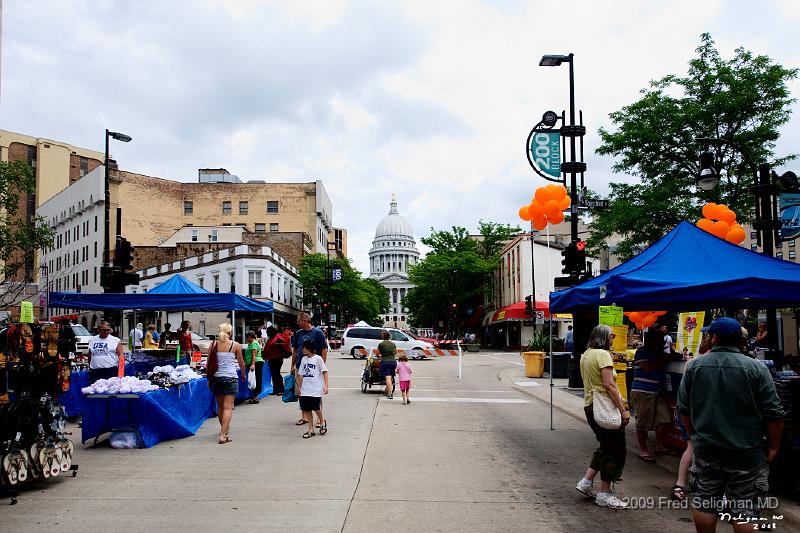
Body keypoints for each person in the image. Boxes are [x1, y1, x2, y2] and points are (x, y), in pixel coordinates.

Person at [678, 317, 784, 531]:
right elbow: (774, 414)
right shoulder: (757, 368)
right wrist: (773, 447)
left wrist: (694, 437)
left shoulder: (694, 366)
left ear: (714, 338)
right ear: (740, 340)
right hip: (747, 451)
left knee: (705, 503)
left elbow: (684, 409)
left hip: (707, 449)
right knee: (745, 510)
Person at [575, 324, 631, 509]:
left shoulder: (586, 354)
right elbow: (609, 385)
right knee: (615, 450)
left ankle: (586, 482)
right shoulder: (603, 354)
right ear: (604, 337)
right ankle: (604, 493)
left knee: (606, 445)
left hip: (590, 405)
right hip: (604, 406)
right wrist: (623, 409)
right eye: (611, 336)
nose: (613, 339)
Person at [672, 333, 713, 502]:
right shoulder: (702, 365)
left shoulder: (691, 363)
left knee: (691, 447)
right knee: (696, 448)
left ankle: (680, 484)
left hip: (687, 410)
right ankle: (695, 484)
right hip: (697, 412)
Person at [630, 328, 672, 462]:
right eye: (659, 340)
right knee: (643, 422)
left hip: (656, 391)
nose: (661, 343)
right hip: (643, 392)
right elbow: (648, 367)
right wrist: (662, 359)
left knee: (664, 418)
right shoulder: (642, 351)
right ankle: (643, 450)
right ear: (652, 341)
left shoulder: (658, 353)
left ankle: (660, 445)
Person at [206, 323, 245, 444]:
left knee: (221, 407)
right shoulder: (235, 345)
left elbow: (208, 364)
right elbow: (241, 362)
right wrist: (243, 373)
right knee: (228, 407)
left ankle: (224, 429)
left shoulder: (213, 345)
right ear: (230, 332)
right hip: (230, 378)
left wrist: (209, 379)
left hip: (216, 378)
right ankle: (223, 435)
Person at [290, 312, 327, 426]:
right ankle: (304, 416)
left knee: (316, 393)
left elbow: (324, 350)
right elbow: (295, 350)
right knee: (301, 392)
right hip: (300, 366)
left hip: (314, 368)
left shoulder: (318, 332)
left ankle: (319, 418)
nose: (297, 323)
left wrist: (321, 366)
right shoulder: (298, 333)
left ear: (305, 321)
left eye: (299, 321)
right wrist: (293, 365)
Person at [296, 339, 329, 438]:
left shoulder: (318, 359)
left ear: (309, 348)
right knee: (307, 409)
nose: (302, 349)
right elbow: (300, 374)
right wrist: (300, 388)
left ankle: (322, 420)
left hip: (316, 388)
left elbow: (325, 372)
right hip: (306, 389)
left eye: (304, 348)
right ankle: (311, 429)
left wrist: (326, 386)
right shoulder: (303, 359)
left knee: (316, 408)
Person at [264, 326, 291, 395]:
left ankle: (280, 389)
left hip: (277, 358)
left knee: (276, 374)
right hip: (272, 359)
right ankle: (276, 389)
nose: (267, 333)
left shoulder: (278, 338)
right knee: (274, 374)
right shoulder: (273, 339)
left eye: (268, 332)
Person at [244, 330, 264, 404]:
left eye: (247, 337)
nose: (246, 339)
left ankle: (255, 397)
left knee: (255, 379)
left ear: (249, 337)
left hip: (256, 363)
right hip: (255, 363)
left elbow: (254, 355)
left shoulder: (253, 344)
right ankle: (254, 396)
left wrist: (252, 364)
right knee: (255, 379)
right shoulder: (253, 343)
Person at [377, 330, 397, 399]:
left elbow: (377, 353)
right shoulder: (393, 344)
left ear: (383, 336)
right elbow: (395, 352)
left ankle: (390, 394)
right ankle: (386, 390)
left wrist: (381, 356)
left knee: (387, 377)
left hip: (385, 362)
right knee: (390, 377)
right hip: (393, 362)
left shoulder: (381, 344)